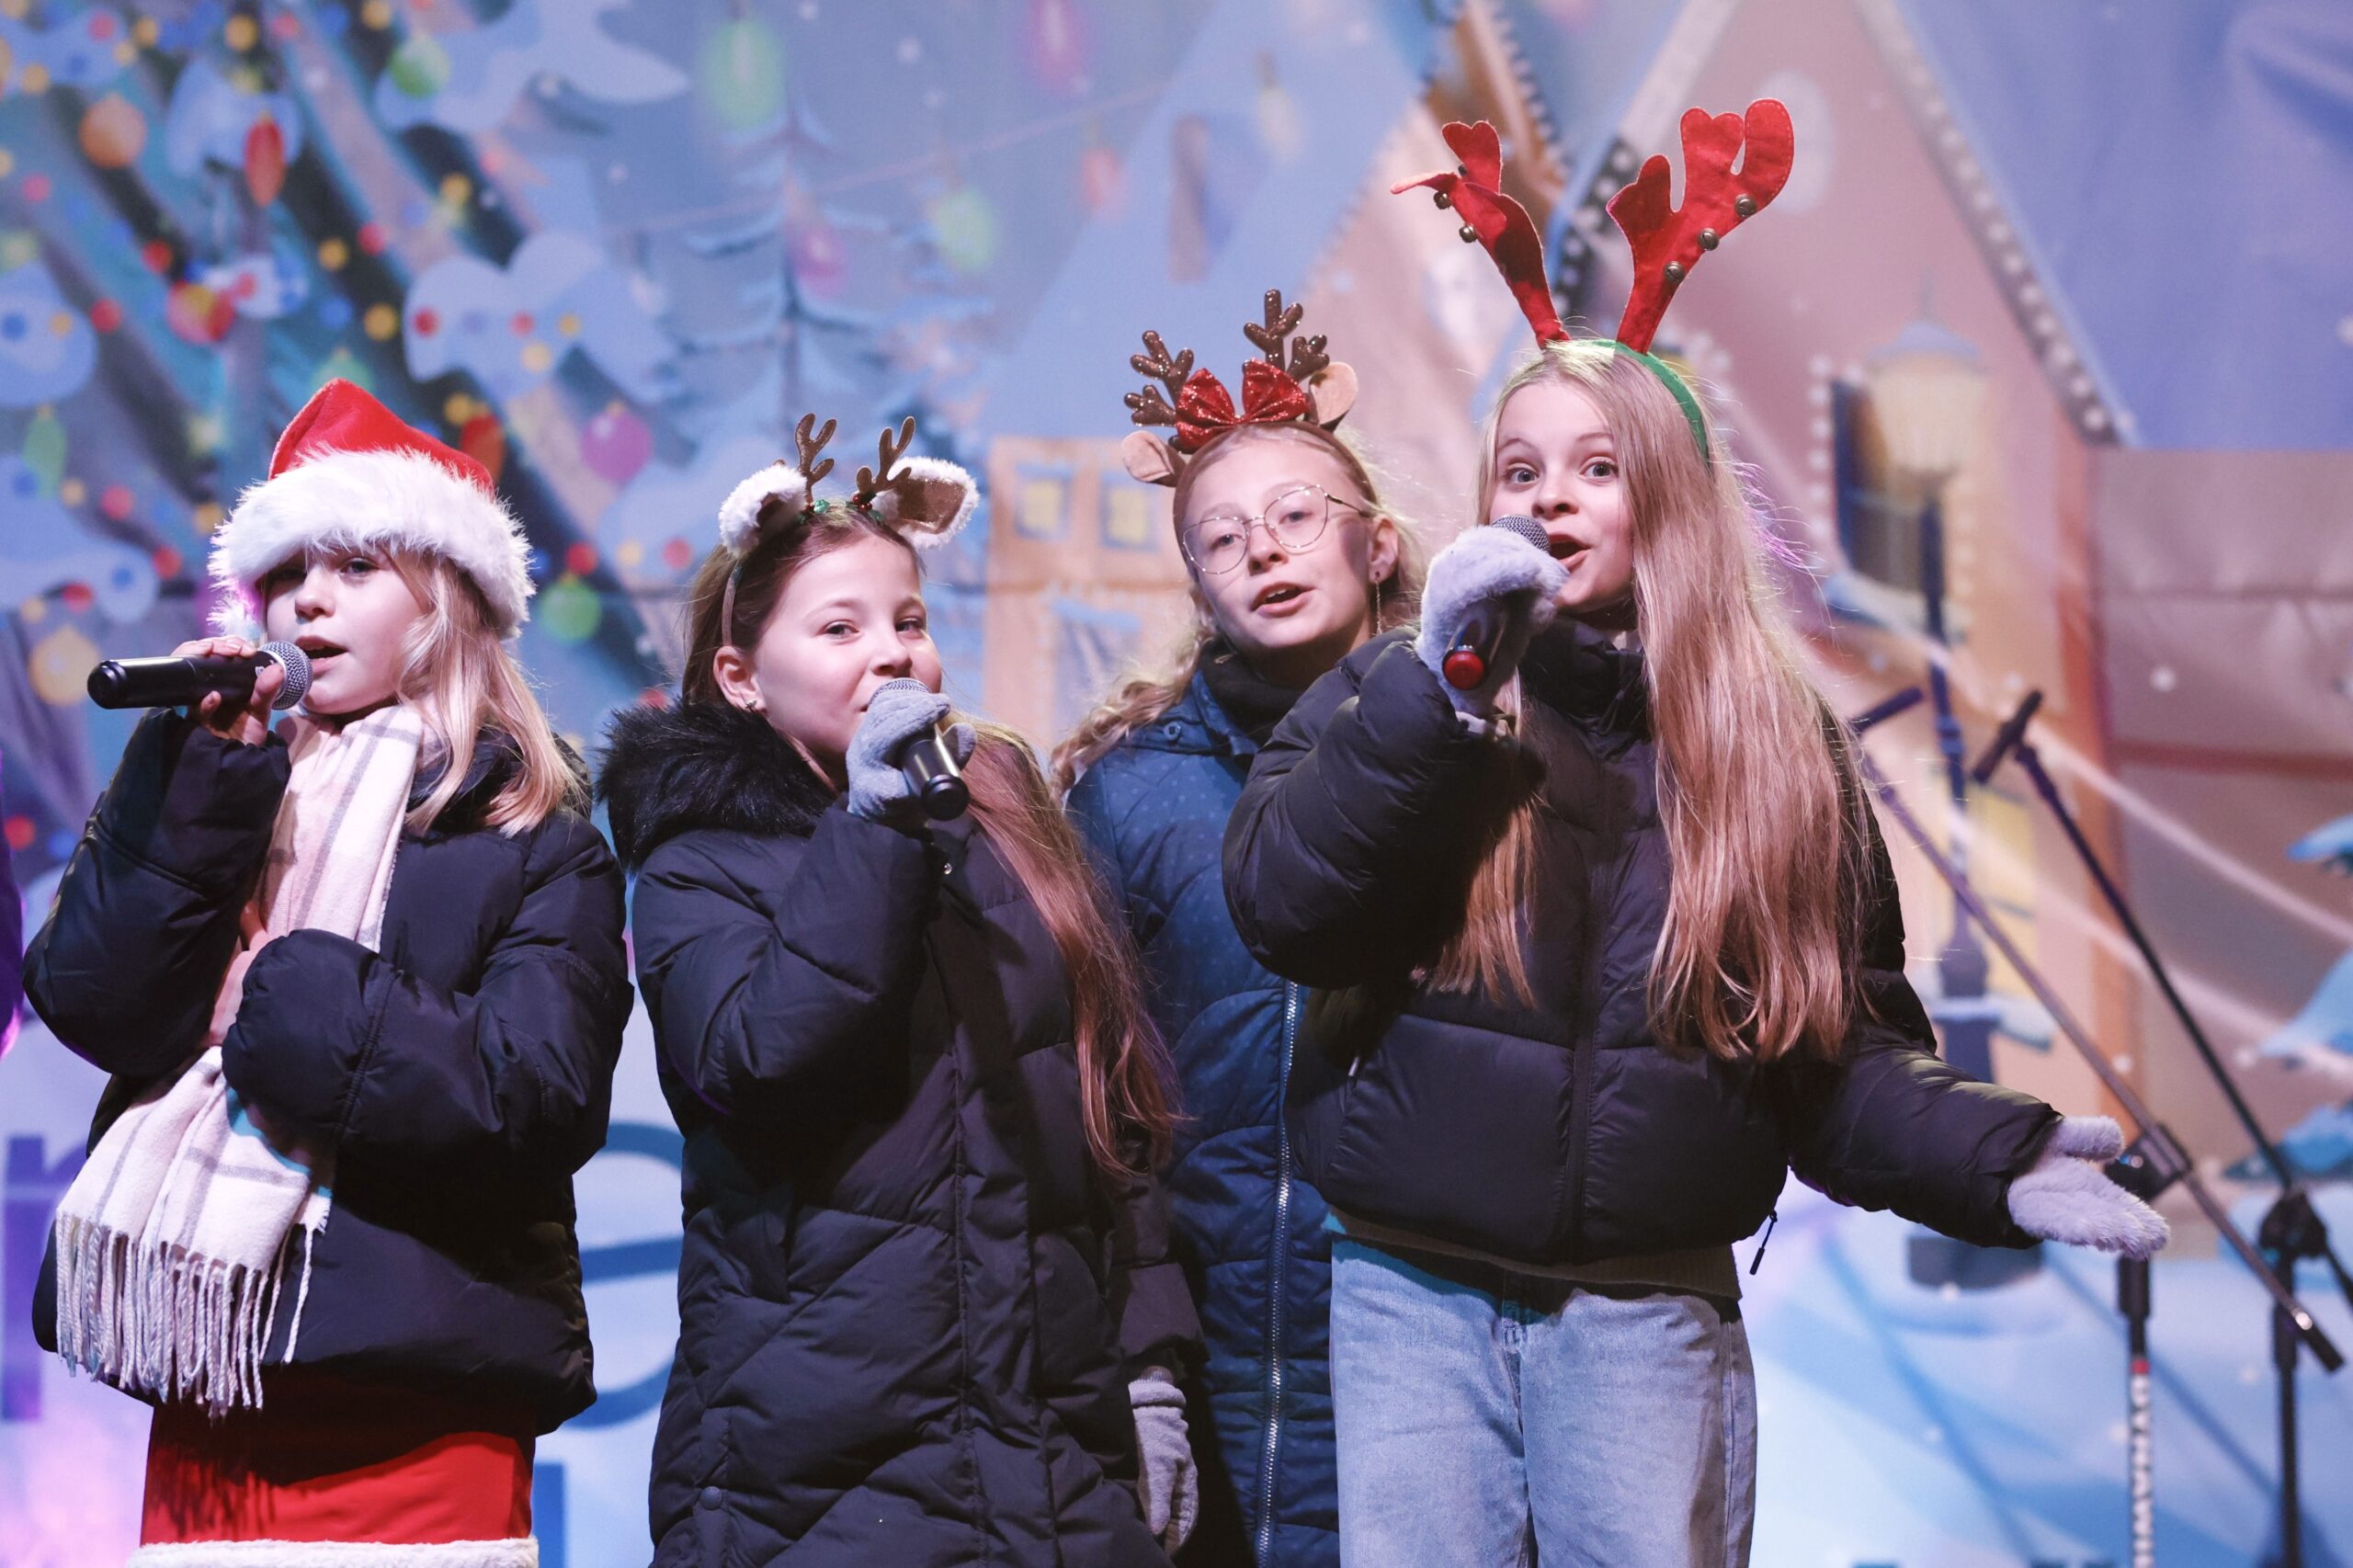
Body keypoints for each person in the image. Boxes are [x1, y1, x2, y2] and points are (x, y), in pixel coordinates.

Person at [1220, 114, 2167, 1566]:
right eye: (1518, 467)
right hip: (1410, 1291)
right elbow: (1292, 908)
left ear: (1665, 496)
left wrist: (1997, 1154)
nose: (1547, 496)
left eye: (1594, 468)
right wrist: (1443, 697)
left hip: (1645, 1307)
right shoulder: (1395, 689)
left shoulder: (1781, 754)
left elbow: (1827, 1051)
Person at [25, 379, 631, 1562]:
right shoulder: (225, 780)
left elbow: (533, 1095)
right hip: (215, 1392)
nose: (308, 597)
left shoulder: (536, 838)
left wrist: (282, 996)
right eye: (290, 570)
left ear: (448, 598)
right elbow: (92, 1001)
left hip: (423, 1422)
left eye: (353, 565)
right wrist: (192, 782)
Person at [597, 415, 1201, 1566]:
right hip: (818, 1467)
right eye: (839, 625)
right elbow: (754, 1064)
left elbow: (1102, 1104)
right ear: (739, 678)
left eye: (909, 621)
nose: (891, 653)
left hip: (1045, 1447)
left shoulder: (1002, 812)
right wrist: (874, 832)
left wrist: (1152, 1363)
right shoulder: (697, 855)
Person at [1057, 292, 1417, 1566]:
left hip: (1421, 1331)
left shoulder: (1481, 766)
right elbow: (1096, 1092)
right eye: (1223, 536)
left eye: (1296, 515)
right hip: (1202, 1327)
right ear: (1199, 585)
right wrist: (1142, 1345)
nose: (1262, 549)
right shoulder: (1128, 793)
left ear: (1377, 543)